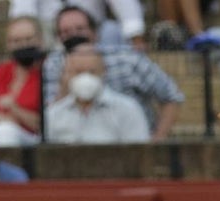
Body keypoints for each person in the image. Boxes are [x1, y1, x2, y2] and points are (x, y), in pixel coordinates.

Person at [43, 6, 183, 140]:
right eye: (66, 31)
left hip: (130, 136)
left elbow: (171, 96)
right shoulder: (54, 64)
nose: (74, 35)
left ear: (94, 32)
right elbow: (49, 112)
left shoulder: (128, 59)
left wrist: (157, 141)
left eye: (80, 29)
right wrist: (66, 80)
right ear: (58, 37)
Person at [45, 43, 149, 144]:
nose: (85, 78)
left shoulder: (128, 110)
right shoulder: (53, 114)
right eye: (78, 72)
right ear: (66, 74)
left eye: (92, 72)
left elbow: (139, 151)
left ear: (104, 71)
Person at [0, 17, 44, 148]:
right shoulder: (2, 71)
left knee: (4, 131)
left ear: (40, 40)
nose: (23, 45)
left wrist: (14, 109)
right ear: (8, 45)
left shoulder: (47, 71)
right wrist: (6, 119)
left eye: (28, 39)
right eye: (16, 41)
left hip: (37, 139)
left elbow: (43, 124)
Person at [9, 0, 145, 50]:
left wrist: (135, 34)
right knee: (29, 36)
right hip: (50, 32)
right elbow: (23, 10)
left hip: (92, 29)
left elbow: (125, 4)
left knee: (111, 30)